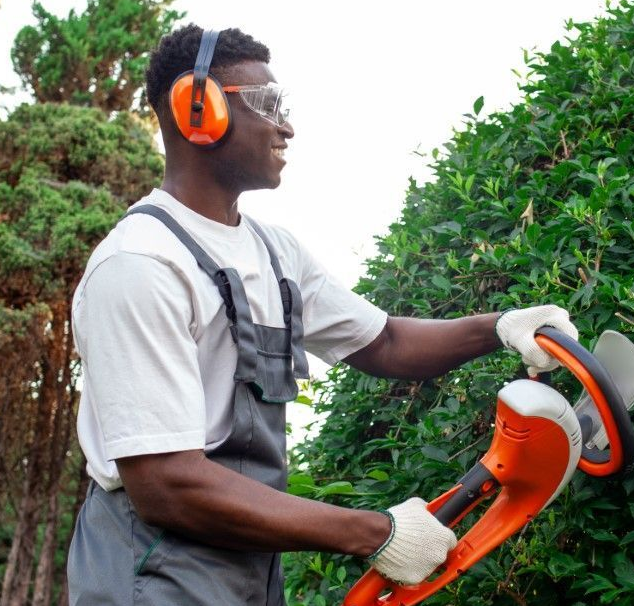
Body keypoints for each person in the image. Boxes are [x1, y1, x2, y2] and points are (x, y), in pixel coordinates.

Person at [66, 24, 578, 605]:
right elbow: (166, 484)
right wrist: (373, 533)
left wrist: (504, 327)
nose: (286, 126)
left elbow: (385, 343)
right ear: (197, 110)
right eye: (268, 105)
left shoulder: (273, 251)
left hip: (246, 565)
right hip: (153, 569)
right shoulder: (141, 265)